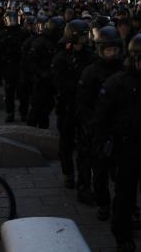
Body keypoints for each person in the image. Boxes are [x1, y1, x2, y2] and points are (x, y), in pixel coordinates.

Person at [94, 34, 141, 252]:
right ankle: (123, 237)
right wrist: (104, 144)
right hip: (125, 149)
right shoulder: (117, 83)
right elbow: (102, 117)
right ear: (134, 58)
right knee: (124, 197)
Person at [76, 26, 124, 215]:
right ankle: (103, 202)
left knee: (121, 173)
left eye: (114, 49)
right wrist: (91, 124)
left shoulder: (125, 70)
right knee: (100, 169)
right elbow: (83, 103)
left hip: (121, 127)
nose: (111, 54)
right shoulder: (91, 72)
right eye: (107, 50)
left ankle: (127, 208)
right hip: (99, 127)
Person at [51, 19, 96, 190]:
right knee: (66, 143)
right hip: (67, 106)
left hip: (84, 107)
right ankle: (68, 173)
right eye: (83, 36)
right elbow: (58, 82)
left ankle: (84, 179)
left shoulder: (91, 56)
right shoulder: (61, 57)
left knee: (85, 145)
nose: (86, 39)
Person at [0, 10, 30, 123]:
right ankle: (10, 112)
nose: (12, 22)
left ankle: (23, 113)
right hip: (8, 66)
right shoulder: (2, 34)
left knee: (23, 92)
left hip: (22, 66)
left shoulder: (24, 33)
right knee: (9, 92)